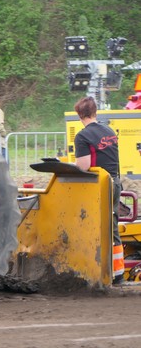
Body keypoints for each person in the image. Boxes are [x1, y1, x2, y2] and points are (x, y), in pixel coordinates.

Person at [73, 96, 124, 284]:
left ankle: (93, 271)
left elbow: (83, 166)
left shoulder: (82, 136)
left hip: (98, 188)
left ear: (80, 115)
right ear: (95, 112)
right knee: (112, 227)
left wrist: (72, 165)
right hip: (115, 182)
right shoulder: (109, 131)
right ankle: (118, 274)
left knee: (92, 226)